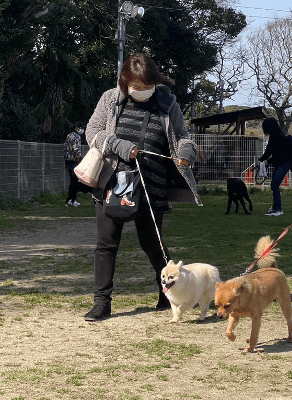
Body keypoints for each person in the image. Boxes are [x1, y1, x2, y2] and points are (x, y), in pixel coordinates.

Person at [83, 54, 202, 321]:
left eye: (147, 87)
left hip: (152, 186)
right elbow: (92, 132)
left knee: (152, 244)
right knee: (106, 244)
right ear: (125, 83)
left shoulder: (168, 102)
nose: (141, 92)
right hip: (112, 184)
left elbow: (183, 136)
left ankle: (168, 292)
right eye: (136, 87)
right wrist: (118, 145)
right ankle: (102, 302)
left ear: (155, 82)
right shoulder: (110, 98)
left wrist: (185, 152)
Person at [258, 117, 291, 216]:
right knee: (274, 185)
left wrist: (268, 161)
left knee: (274, 185)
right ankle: (276, 207)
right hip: (280, 163)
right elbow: (269, 150)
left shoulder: (279, 137)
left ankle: (277, 209)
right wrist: (261, 160)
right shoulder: (275, 136)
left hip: (284, 163)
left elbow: (279, 154)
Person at [64, 121, 86, 207]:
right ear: (77, 128)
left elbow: (66, 149)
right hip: (74, 161)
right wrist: (80, 159)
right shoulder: (77, 137)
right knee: (76, 183)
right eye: (82, 128)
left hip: (68, 160)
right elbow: (76, 149)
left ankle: (70, 199)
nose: (82, 130)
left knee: (72, 181)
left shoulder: (68, 136)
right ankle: (72, 200)